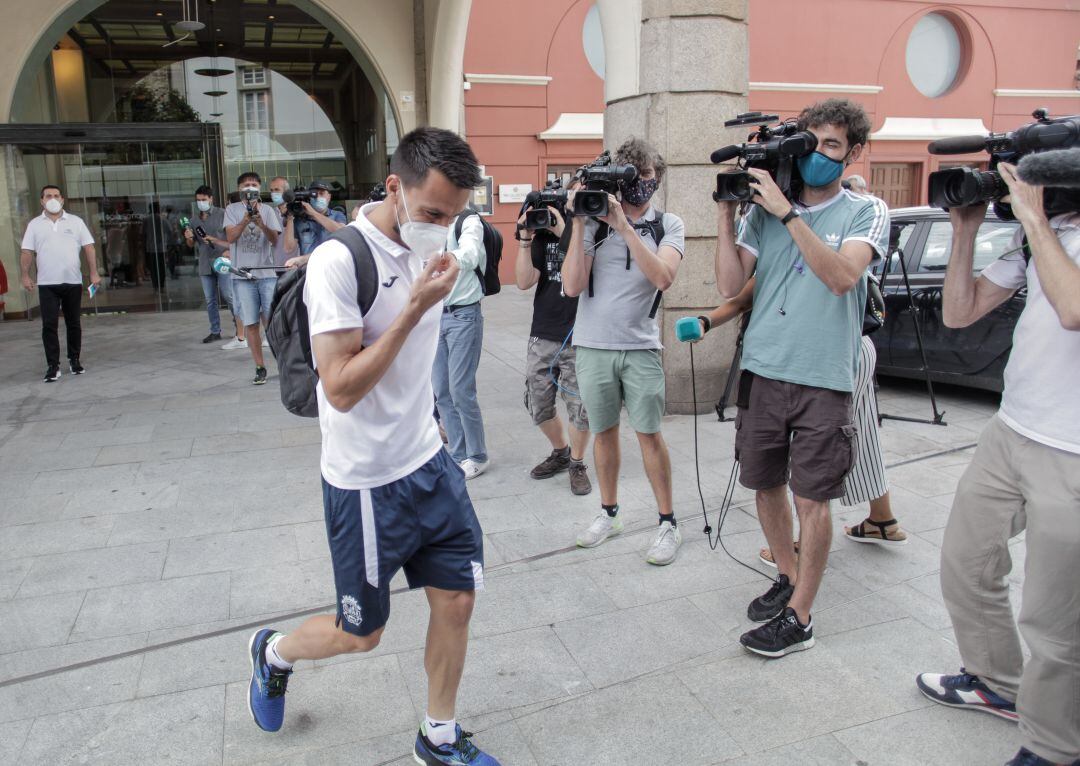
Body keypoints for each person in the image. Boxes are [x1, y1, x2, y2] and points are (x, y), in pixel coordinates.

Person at [245, 126, 501, 766]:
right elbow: (340, 387)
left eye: (455, 215)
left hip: (428, 464)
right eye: (433, 212)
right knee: (361, 633)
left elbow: (420, 362)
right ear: (395, 187)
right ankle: (273, 652)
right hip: (364, 484)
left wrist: (434, 415)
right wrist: (414, 307)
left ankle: (438, 735)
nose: (442, 226)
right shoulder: (339, 262)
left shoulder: (430, 246)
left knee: (458, 598)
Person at [916, 162, 1080, 766]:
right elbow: (960, 312)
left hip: (1074, 453)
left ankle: (1055, 746)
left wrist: (1035, 218)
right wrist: (965, 229)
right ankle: (995, 682)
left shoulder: (1047, 231)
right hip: (1010, 432)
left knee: (1055, 622)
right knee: (966, 564)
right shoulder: (1046, 234)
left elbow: (1074, 309)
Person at [714, 98, 890, 657]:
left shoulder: (866, 211)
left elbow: (841, 277)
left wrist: (790, 213)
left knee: (813, 498)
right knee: (765, 483)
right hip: (764, 369)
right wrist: (727, 211)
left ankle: (801, 617)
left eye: (832, 145)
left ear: (854, 152)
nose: (818, 155)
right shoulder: (760, 213)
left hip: (824, 376)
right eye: (810, 144)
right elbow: (728, 285)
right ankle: (786, 577)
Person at [687, 280, 908, 568]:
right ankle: (882, 518)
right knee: (859, 434)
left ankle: (806, 545)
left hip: (830, 355)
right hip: (857, 346)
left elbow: (746, 297)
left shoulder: (794, 247)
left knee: (819, 453)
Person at [562, 137, 686, 566]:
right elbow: (573, 286)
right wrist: (579, 221)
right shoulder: (593, 224)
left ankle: (668, 522)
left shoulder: (668, 225)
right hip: (593, 345)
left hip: (640, 347)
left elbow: (663, 277)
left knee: (650, 434)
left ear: (656, 179)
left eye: (645, 176)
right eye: (630, 176)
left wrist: (625, 227)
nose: (638, 185)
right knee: (604, 431)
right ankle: (608, 513)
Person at [514, 192, 592, 495]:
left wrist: (564, 230)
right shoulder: (539, 239)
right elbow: (523, 281)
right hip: (542, 332)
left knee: (579, 407)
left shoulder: (583, 231)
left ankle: (577, 462)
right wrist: (524, 240)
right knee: (537, 402)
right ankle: (561, 451)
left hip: (579, 334)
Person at [19, 184, 100, 382]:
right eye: (48, 196)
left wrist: (94, 273)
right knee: (49, 325)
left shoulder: (76, 222)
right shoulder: (34, 225)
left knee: (74, 323)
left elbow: (89, 248)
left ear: (62, 199)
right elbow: (27, 251)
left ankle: (74, 359)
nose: (52, 199)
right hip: (47, 283)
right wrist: (25, 275)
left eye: (56, 195)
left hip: (72, 281)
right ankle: (53, 366)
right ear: (42, 200)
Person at [432, 208, 490, 479]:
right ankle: (457, 454)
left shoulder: (467, 221)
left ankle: (477, 455)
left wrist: (448, 257)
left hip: (464, 315)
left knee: (460, 389)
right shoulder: (426, 222)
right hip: (434, 316)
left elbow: (471, 253)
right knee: (441, 390)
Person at [223, 172, 282, 385]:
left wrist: (261, 223)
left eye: (254, 185)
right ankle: (260, 366)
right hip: (242, 275)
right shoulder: (231, 210)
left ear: (259, 188)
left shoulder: (268, 210)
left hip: (266, 274)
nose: (250, 188)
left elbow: (275, 240)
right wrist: (246, 219)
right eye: (246, 185)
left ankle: (282, 363)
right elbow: (230, 237)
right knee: (250, 323)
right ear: (239, 189)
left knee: (271, 322)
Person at [183, 185, 237, 344]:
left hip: (223, 261)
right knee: (210, 300)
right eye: (198, 200)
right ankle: (215, 331)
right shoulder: (193, 220)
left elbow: (233, 239)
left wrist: (229, 252)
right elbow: (191, 245)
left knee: (229, 296)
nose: (201, 203)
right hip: (205, 263)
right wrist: (188, 237)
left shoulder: (223, 214)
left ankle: (239, 329)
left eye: (204, 200)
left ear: (211, 199)